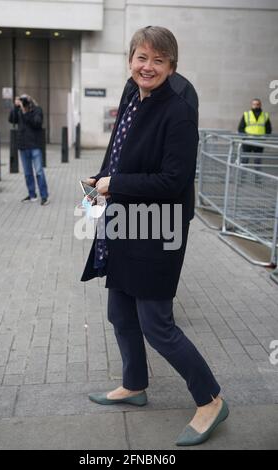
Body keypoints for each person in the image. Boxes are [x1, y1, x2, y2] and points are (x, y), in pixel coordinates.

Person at [81, 26, 229, 447]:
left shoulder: (178, 111)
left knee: (157, 325)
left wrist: (115, 183)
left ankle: (211, 399)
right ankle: (134, 385)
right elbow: (119, 148)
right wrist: (98, 185)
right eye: (141, 57)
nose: (148, 67)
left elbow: (173, 180)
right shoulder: (132, 93)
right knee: (120, 313)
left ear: (171, 67)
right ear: (130, 59)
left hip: (157, 230)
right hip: (124, 220)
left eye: (158, 61)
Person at [8, 94, 49, 205]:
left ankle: (44, 196)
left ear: (31, 100)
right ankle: (32, 195)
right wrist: (15, 107)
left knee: (39, 172)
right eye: (22, 100)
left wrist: (26, 112)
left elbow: (37, 123)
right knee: (27, 173)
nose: (24, 102)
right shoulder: (19, 110)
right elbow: (11, 120)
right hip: (23, 146)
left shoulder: (37, 110)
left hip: (35, 146)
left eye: (25, 100)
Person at [238, 98, 272, 170]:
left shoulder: (265, 115)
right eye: (254, 104)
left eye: (258, 104)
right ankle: (242, 179)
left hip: (259, 141)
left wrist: (264, 138)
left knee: (258, 162)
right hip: (248, 141)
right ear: (251, 105)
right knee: (244, 161)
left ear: (260, 105)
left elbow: (268, 129)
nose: (256, 106)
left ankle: (257, 180)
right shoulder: (247, 114)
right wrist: (244, 138)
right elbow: (240, 128)